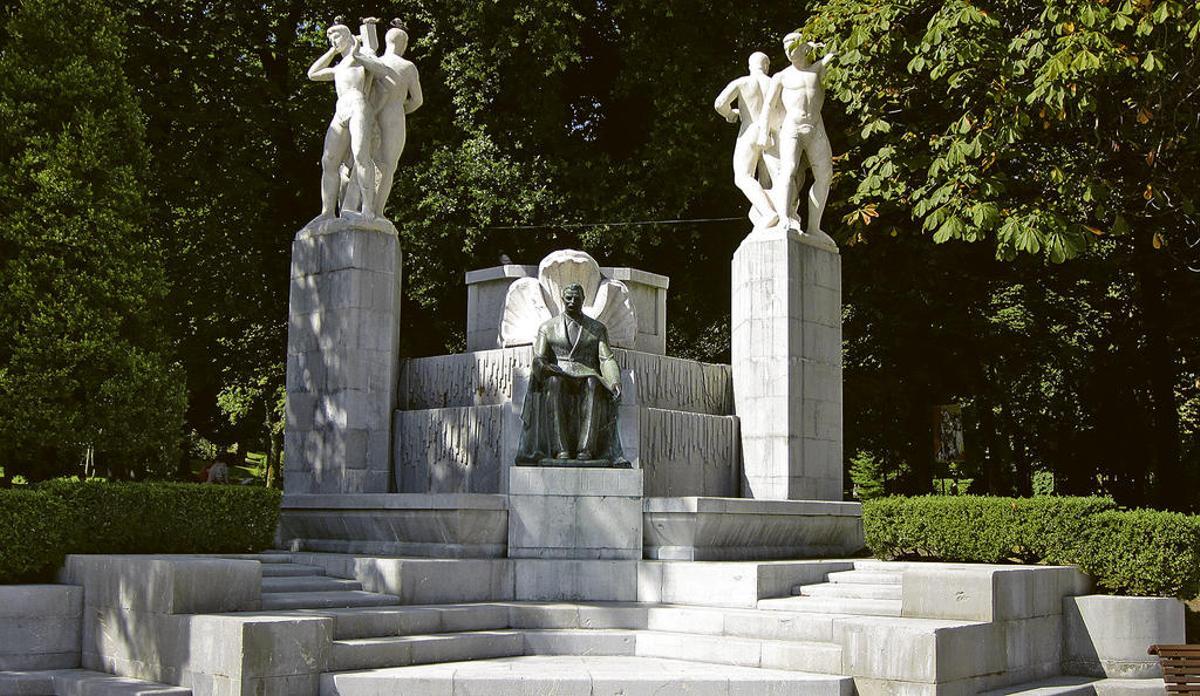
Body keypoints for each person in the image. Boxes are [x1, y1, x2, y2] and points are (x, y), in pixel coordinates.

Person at [516, 283, 628, 465]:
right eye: (568, 297)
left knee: (593, 384)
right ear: (562, 298)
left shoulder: (597, 328)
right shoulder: (547, 327)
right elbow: (539, 357)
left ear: (583, 300)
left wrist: (615, 381)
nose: (572, 301)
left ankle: (586, 449)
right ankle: (560, 449)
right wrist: (544, 367)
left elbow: (606, 359)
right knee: (554, 383)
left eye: (576, 298)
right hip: (560, 373)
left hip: (586, 373)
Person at [307, 23, 398, 221]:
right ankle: (327, 212)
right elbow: (312, 74)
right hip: (340, 110)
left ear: (348, 36)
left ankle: (367, 208)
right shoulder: (339, 67)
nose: (333, 41)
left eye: (336, 37)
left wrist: (357, 53)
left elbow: (383, 70)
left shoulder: (360, 56)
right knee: (329, 161)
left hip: (358, 105)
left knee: (360, 156)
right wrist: (332, 51)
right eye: (330, 39)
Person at [757, 33, 836, 243]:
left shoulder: (817, 69)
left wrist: (819, 45)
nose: (788, 51)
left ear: (804, 48)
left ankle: (814, 227)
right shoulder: (781, 76)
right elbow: (768, 105)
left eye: (792, 46)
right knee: (788, 170)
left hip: (816, 127)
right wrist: (763, 132)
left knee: (825, 175)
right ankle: (784, 217)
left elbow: (837, 50)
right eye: (785, 48)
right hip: (792, 127)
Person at [341, 20, 423, 215]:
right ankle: (376, 213)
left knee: (364, 160)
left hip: (370, 114)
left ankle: (352, 207)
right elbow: (417, 100)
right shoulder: (408, 66)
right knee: (387, 166)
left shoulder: (376, 61)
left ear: (387, 41)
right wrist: (402, 108)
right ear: (403, 44)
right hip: (395, 116)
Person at [714, 52, 780, 229]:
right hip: (772, 133)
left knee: (742, 176)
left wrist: (730, 114)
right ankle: (771, 215)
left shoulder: (742, 82)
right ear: (766, 66)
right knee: (768, 181)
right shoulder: (776, 83)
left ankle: (768, 213)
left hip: (750, 131)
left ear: (750, 66)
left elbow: (720, 104)